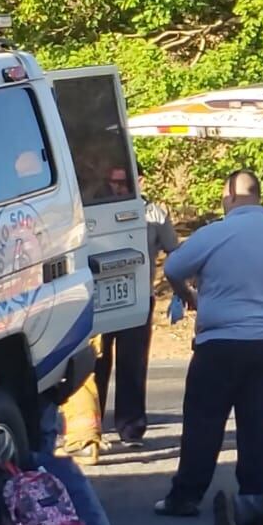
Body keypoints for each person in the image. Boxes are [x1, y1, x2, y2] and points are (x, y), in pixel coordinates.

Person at [156, 170, 263, 518]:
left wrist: (190, 297)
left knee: (204, 421)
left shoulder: (216, 233)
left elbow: (173, 267)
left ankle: (186, 497)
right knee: (260, 420)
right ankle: (255, 497)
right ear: (259, 196)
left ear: (228, 196)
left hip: (222, 343)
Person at [92, 172, 181, 454]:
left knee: (133, 365)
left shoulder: (153, 213)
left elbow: (173, 251)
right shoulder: (96, 209)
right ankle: (91, 429)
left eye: (123, 182)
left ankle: (131, 429)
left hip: (138, 299)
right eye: (113, 182)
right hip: (98, 300)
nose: (116, 187)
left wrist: (178, 290)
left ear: (138, 180)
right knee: (95, 364)